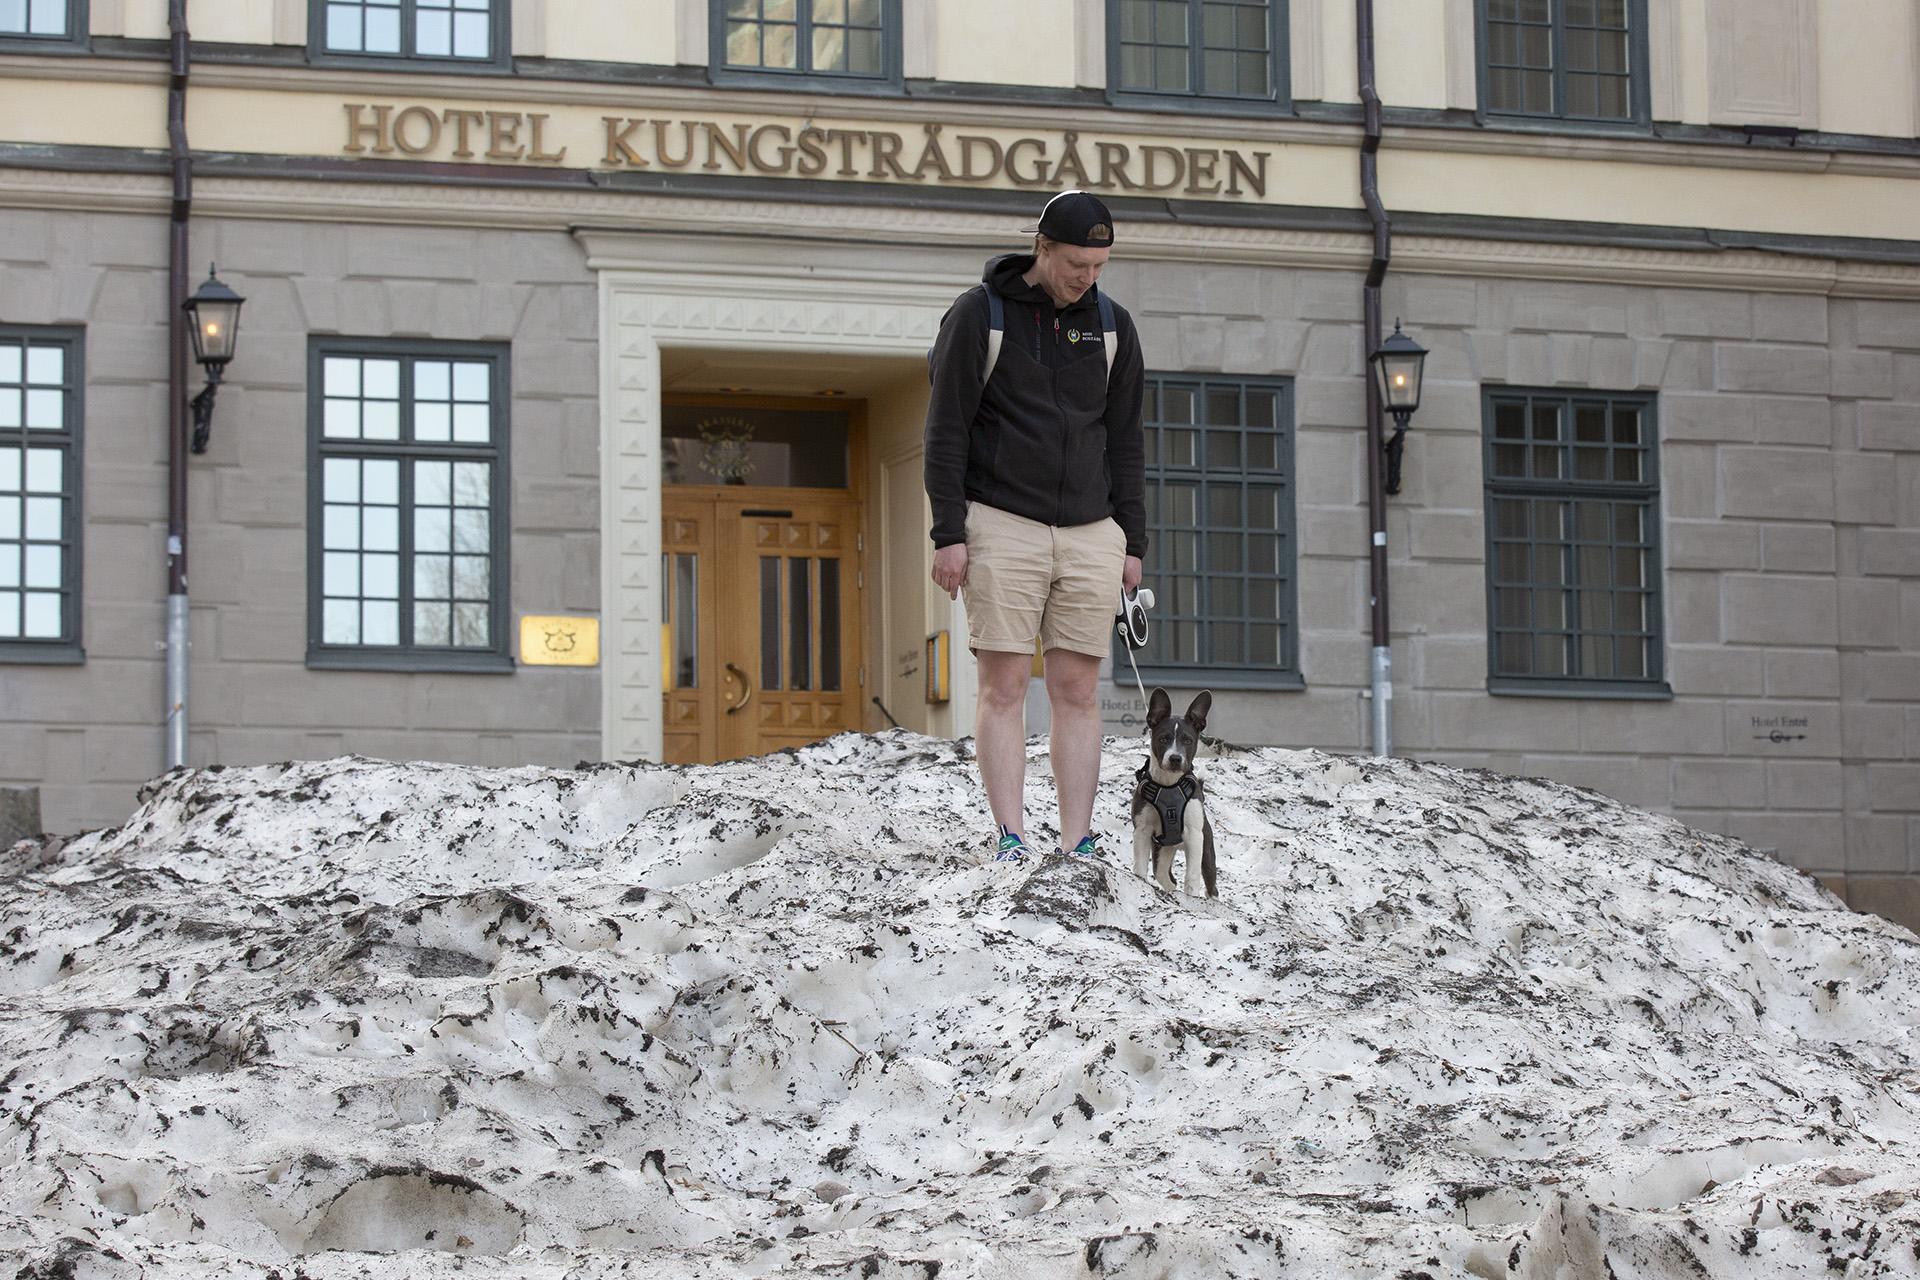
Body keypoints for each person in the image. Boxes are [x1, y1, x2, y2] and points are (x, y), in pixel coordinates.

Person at [923, 190, 1146, 863]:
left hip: (1090, 531)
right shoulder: (979, 315)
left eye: (1100, 266)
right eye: (1078, 262)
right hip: (1001, 521)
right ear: (1042, 248)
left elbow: (1127, 437)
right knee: (1006, 686)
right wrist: (948, 532)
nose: (1088, 276)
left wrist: (1132, 542)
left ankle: (1079, 840)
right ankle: (1010, 835)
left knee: (1078, 690)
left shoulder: (1112, 326)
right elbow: (945, 428)